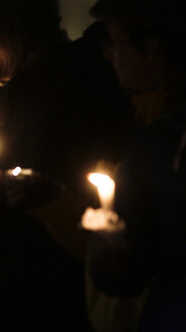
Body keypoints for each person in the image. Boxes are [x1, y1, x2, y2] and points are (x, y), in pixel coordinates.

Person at [0, 0, 133, 330]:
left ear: (11, 34)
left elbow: (16, 222)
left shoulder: (58, 96)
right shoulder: (23, 86)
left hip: (34, 299)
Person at [86, 0, 186, 331]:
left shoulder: (159, 144)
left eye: (116, 42)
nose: (107, 55)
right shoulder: (150, 131)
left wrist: (111, 259)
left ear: (153, 50)